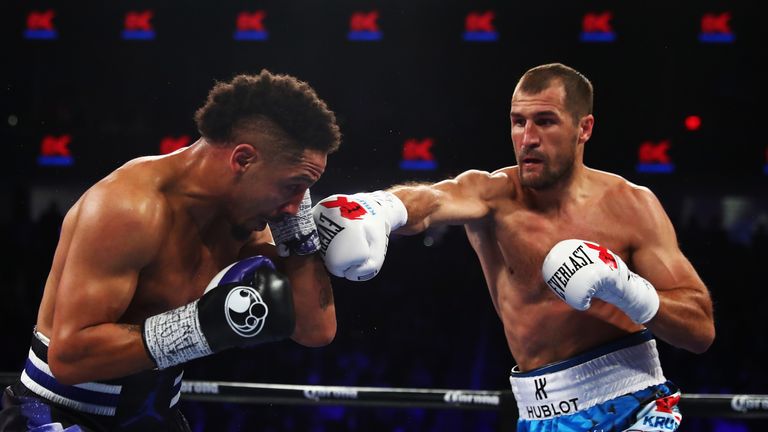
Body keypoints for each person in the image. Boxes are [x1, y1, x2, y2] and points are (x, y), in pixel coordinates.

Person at [313, 63, 715, 431]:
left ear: (584, 128)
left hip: (635, 403)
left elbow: (699, 331)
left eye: (545, 121)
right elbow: (433, 200)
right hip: (539, 413)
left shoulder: (631, 205)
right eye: (518, 122)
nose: (528, 138)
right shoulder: (493, 197)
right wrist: (381, 208)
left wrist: (626, 288)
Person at [0, 70, 341, 431]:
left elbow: (314, 329)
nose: (295, 206)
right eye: (293, 186)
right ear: (242, 159)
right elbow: (69, 359)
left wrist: (297, 231)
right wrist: (198, 327)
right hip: (60, 416)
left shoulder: (241, 220)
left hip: (157, 417)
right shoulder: (129, 209)